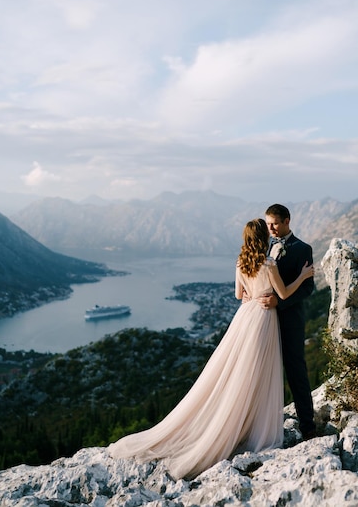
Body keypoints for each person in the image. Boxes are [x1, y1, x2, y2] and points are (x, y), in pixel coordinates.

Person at [108, 219, 314, 480]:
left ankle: (239, 420)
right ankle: (253, 426)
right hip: (264, 319)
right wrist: (303, 276)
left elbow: (240, 295)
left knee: (240, 369)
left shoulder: (241, 262)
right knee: (260, 371)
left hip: (245, 318)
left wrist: (251, 294)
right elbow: (283, 295)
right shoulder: (269, 264)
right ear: (263, 237)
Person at [262, 203, 316, 440]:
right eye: (268, 224)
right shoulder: (266, 246)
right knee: (265, 371)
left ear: (287, 221)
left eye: (274, 223)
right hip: (264, 321)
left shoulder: (302, 248)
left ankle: (308, 426)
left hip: (290, 320)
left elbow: (307, 288)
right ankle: (265, 425)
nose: (271, 228)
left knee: (296, 372)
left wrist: (279, 302)